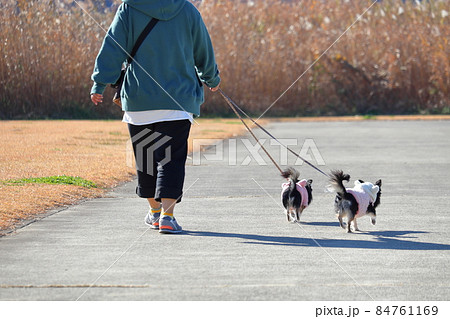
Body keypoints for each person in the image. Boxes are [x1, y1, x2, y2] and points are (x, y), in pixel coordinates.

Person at [90, 0, 220, 234]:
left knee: (146, 158)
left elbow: (112, 46)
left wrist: (99, 84)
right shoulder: (187, 10)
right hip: (179, 100)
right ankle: (167, 217)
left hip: (139, 100)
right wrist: (212, 78)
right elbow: (203, 49)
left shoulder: (129, 9)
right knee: (171, 159)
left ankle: (155, 212)